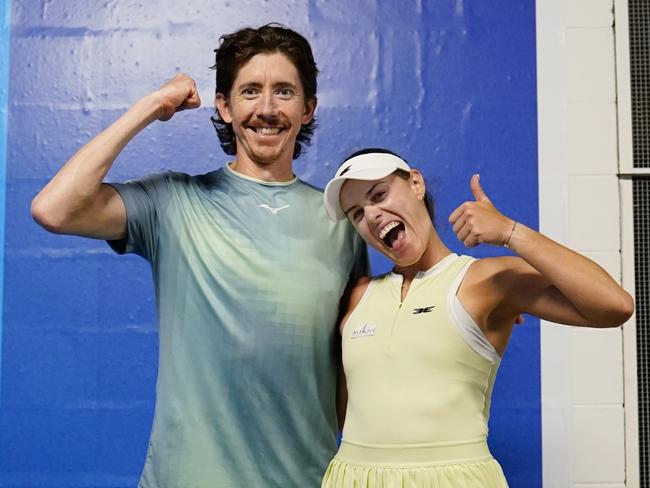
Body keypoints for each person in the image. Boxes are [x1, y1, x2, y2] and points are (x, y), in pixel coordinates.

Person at [31, 25, 367, 487]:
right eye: (250, 91)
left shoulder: (343, 222)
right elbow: (53, 209)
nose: (266, 109)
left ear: (308, 108)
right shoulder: (173, 202)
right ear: (224, 107)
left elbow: (352, 369)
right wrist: (151, 106)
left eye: (284, 92)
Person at [320, 149, 634, 487]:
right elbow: (341, 412)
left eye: (379, 194)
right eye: (356, 213)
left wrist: (511, 232)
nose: (372, 215)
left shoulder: (485, 280)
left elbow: (614, 305)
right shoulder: (356, 297)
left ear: (415, 183)